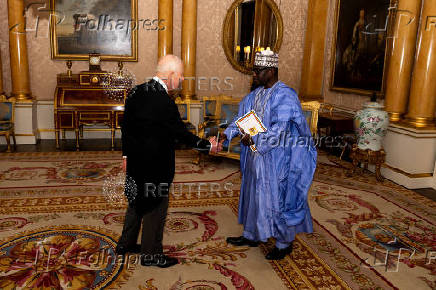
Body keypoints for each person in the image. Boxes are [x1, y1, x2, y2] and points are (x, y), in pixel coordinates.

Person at [117, 55, 219, 268]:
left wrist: (126, 156)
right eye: (180, 75)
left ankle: (124, 245)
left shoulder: (137, 91)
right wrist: (208, 146)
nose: (182, 80)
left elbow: (126, 126)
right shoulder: (164, 101)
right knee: (156, 209)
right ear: (171, 74)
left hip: (136, 162)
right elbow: (182, 134)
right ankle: (150, 255)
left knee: (136, 202)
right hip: (155, 166)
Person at [219, 50, 317, 260]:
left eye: (258, 71)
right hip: (255, 156)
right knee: (253, 194)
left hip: (277, 158)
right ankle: (252, 234)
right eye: (254, 70)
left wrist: (254, 140)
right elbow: (241, 119)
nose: (254, 74)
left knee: (278, 198)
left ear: (271, 71)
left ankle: (284, 243)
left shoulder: (286, 95)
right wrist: (226, 135)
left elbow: (280, 129)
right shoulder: (255, 95)